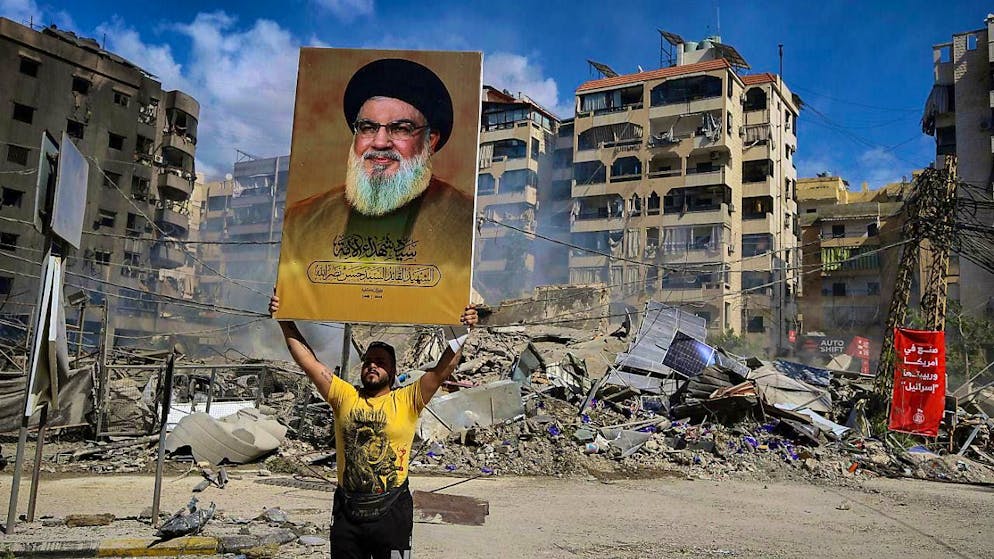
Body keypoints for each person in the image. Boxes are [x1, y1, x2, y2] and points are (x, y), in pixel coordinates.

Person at [269, 293, 477, 558]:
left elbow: (441, 371)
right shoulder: (344, 395)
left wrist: (463, 329)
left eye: (381, 362)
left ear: (392, 371)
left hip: (392, 510)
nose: (372, 366)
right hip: (348, 511)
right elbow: (308, 362)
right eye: (368, 361)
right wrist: (284, 319)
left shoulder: (407, 399)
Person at [277, 58, 475, 322]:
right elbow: (303, 302)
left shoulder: (463, 218)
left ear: (431, 140)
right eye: (368, 128)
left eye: (401, 128)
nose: (380, 142)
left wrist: (466, 317)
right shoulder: (301, 221)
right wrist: (285, 306)